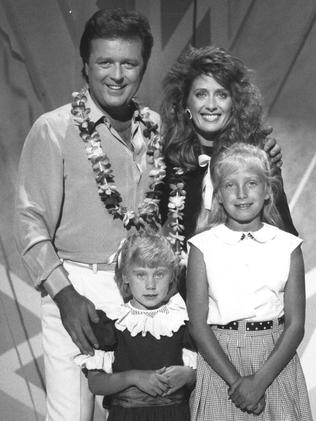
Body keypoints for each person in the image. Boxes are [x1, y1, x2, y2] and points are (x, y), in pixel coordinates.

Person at [14, 8, 165, 421]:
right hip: (77, 289)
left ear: (142, 67)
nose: (116, 74)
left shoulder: (154, 127)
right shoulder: (53, 129)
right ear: (85, 65)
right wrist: (64, 296)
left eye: (129, 63)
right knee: (70, 417)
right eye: (105, 62)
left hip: (146, 291)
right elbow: (31, 224)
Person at [186, 142, 313, 420]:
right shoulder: (202, 247)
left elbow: (295, 326)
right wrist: (236, 382)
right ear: (217, 195)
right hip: (220, 361)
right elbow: (197, 324)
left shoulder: (288, 246)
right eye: (230, 185)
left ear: (268, 191)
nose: (241, 194)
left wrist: (258, 382)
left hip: (274, 361)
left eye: (252, 183)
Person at [160, 46, 297, 248]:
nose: (211, 105)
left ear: (235, 103)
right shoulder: (168, 160)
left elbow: (285, 233)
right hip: (185, 275)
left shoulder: (256, 156)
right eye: (201, 94)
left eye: (222, 95)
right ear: (185, 102)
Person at [74, 230, 196, 421]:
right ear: (125, 277)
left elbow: (201, 375)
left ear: (172, 276)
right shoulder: (113, 323)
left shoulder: (181, 321)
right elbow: (95, 384)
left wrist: (189, 375)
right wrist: (133, 377)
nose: (150, 285)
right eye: (141, 275)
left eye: (159, 274)